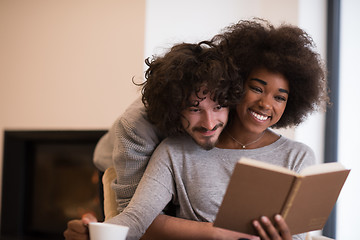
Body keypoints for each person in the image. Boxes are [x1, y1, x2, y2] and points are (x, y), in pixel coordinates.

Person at [101, 19, 328, 240]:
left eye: (279, 97)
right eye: (257, 88)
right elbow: (136, 218)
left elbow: (297, 235)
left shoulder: (298, 157)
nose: (266, 104)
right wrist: (93, 231)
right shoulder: (175, 152)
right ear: (236, 86)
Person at [64, 41, 247, 239]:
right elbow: (134, 220)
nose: (210, 123)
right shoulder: (135, 128)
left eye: (218, 107)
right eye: (194, 109)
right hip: (114, 161)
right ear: (175, 108)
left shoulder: (227, 103)